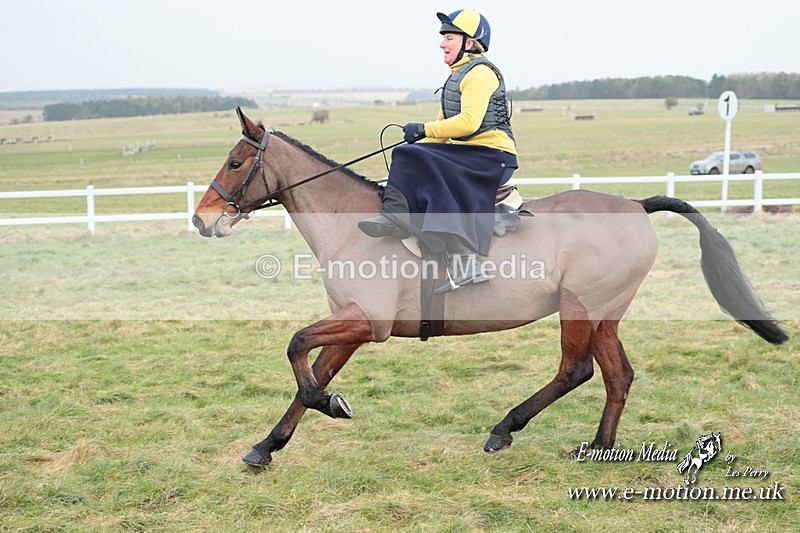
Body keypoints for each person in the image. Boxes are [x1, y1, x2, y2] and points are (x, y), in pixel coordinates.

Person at [359, 9, 518, 294]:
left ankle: (468, 261)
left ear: (470, 43)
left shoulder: (480, 73)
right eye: (443, 37)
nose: (442, 43)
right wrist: (415, 144)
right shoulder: (456, 79)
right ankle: (397, 217)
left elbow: (468, 122)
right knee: (407, 154)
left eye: (450, 37)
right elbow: (442, 131)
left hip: (492, 157)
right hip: (470, 155)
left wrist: (423, 129)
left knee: (415, 157)